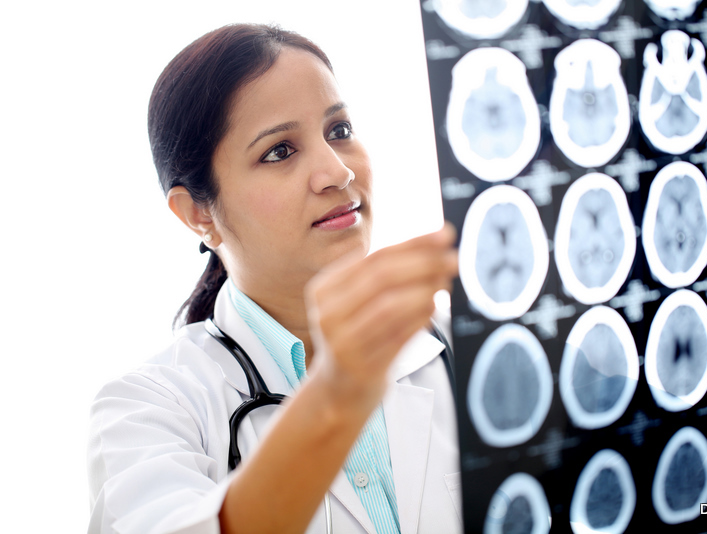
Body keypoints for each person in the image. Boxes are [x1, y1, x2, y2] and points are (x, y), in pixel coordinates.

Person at [86, 23, 461, 534]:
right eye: (280, 151)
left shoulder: (461, 342)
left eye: (339, 131)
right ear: (199, 214)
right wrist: (339, 392)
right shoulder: (151, 407)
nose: (337, 172)